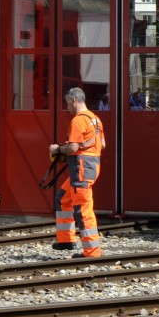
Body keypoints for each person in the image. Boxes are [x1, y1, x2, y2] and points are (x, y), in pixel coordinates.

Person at [47, 86, 105, 258]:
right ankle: (66, 240)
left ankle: (92, 251)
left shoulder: (78, 120)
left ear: (74, 100)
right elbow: (102, 145)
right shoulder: (95, 119)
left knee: (82, 208)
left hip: (81, 169)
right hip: (90, 168)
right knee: (63, 198)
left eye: (68, 104)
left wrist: (57, 149)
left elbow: (72, 147)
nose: (67, 108)